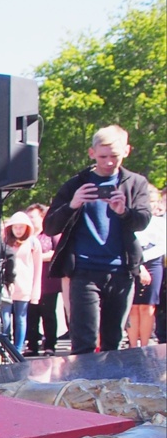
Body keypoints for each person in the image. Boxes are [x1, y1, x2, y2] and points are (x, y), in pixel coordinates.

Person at [45, 125, 153, 355]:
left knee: (113, 340)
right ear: (92, 153)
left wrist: (124, 211)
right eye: (103, 156)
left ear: (127, 151)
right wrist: (72, 204)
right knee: (84, 341)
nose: (109, 162)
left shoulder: (136, 183)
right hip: (84, 270)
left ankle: (110, 388)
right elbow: (50, 226)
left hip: (121, 270)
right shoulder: (76, 183)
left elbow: (142, 221)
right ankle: (83, 387)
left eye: (114, 156)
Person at [128, 184, 164, 348]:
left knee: (147, 307)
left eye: (155, 201)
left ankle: (144, 346)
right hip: (132, 262)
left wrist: (143, 260)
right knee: (133, 307)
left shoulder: (159, 222)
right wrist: (138, 264)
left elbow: (162, 246)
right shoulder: (131, 220)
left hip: (153, 262)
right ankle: (133, 346)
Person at [2, 211, 42, 354]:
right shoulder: (4, 241)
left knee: (21, 318)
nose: (18, 230)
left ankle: (18, 349)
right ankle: (5, 347)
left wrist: (35, 293)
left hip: (25, 286)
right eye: (15, 227)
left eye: (21, 227)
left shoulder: (33, 242)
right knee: (5, 319)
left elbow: (38, 268)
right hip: (7, 287)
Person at [25, 202, 61, 356]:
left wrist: (38, 256)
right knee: (31, 314)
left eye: (33, 217)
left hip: (48, 282)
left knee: (48, 313)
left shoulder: (50, 234)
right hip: (29, 282)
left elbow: (57, 252)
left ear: (42, 217)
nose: (30, 220)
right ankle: (32, 345)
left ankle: (50, 345)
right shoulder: (26, 236)